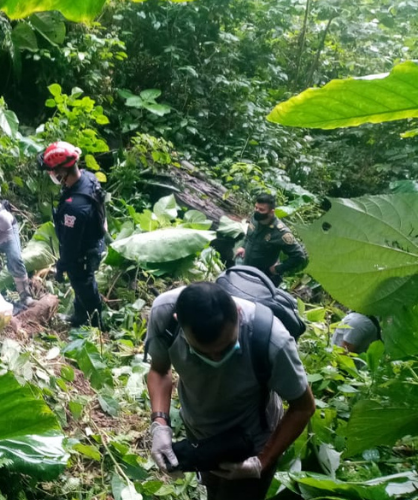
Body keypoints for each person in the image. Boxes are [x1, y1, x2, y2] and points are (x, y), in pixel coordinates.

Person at [145, 282, 315, 500]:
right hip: (200, 433)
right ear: (180, 323)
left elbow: (303, 407)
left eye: (226, 348)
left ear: (238, 312)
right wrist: (159, 424)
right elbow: (159, 370)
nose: (216, 359)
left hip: (251, 441)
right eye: (202, 352)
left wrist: (261, 462)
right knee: (213, 488)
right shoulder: (165, 317)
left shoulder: (272, 340)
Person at [38, 141, 106, 328]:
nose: (52, 175)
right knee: (82, 287)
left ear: (62, 171)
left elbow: (70, 245)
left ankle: (95, 324)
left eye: (53, 171)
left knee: (84, 287)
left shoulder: (74, 207)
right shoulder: (88, 178)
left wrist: (62, 266)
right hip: (94, 242)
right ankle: (79, 316)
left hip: (82, 255)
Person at [234, 193, 307, 286]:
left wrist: (277, 269)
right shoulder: (255, 218)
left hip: (262, 275)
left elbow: (299, 256)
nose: (257, 211)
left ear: (271, 212)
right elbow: (249, 235)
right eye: (256, 207)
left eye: (261, 210)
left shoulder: (281, 233)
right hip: (244, 264)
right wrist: (243, 247)